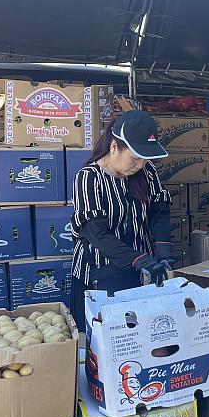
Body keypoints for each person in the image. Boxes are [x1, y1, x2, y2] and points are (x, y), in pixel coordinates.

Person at [70, 110, 174, 328]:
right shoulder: (89, 178)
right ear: (114, 147)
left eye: (145, 160)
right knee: (105, 336)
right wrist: (139, 260)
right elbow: (96, 233)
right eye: (135, 158)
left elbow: (159, 211)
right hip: (101, 271)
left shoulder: (146, 172)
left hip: (141, 270)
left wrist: (163, 252)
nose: (140, 166)